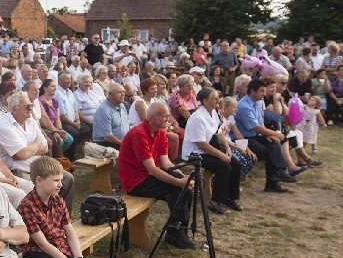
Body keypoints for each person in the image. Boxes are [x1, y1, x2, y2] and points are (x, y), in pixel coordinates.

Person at [118, 103, 195, 249]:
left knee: (185, 187)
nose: (169, 119)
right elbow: (152, 169)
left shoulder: (160, 132)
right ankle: (175, 234)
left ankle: (179, 230)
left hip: (146, 175)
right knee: (175, 188)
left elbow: (166, 162)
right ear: (153, 118)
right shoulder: (139, 133)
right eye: (165, 116)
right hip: (134, 181)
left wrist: (183, 177)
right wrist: (178, 182)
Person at [0, 92, 75, 211]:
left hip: (37, 166)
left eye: (31, 105)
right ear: (15, 109)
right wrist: (36, 144)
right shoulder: (4, 127)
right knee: (44, 187)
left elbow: (45, 147)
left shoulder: (30, 119)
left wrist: (27, 150)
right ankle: (47, 218)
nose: (31, 109)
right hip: (20, 171)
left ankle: (62, 217)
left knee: (68, 178)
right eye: (27, 106)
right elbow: (23, 154)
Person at [180, 88, 242, 213]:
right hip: (194, 153)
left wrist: (228, 148)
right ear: (205, 101)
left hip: (207, 150)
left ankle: (229, 197)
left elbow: (219, 134)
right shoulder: (198, 117)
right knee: (223, 166)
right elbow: (201, 144)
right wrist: (220, 154)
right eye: (215, 98)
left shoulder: (213, 112)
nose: (218, 100)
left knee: (235, 163)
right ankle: (215, 201)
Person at [234, 79, 297, 193]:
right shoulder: (244, 106)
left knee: (274, 142)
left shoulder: (257, 102)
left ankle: (277, 176)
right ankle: (276, 177)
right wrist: (275, 134)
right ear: (253, 91)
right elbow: (256, 127)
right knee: (269, 151)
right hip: (241, 138)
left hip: (253, 135)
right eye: (261, 91)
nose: (264, 94)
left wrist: (267, 135)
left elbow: (260, 123)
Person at [91, 82, 130, 149]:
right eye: (119, 92)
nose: (123, 94)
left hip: (121, 142)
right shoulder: (104, 111)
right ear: (110, 95)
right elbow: (107, 137)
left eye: (123, 92)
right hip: (106, 145)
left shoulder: (122, 106)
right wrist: (125, 144)